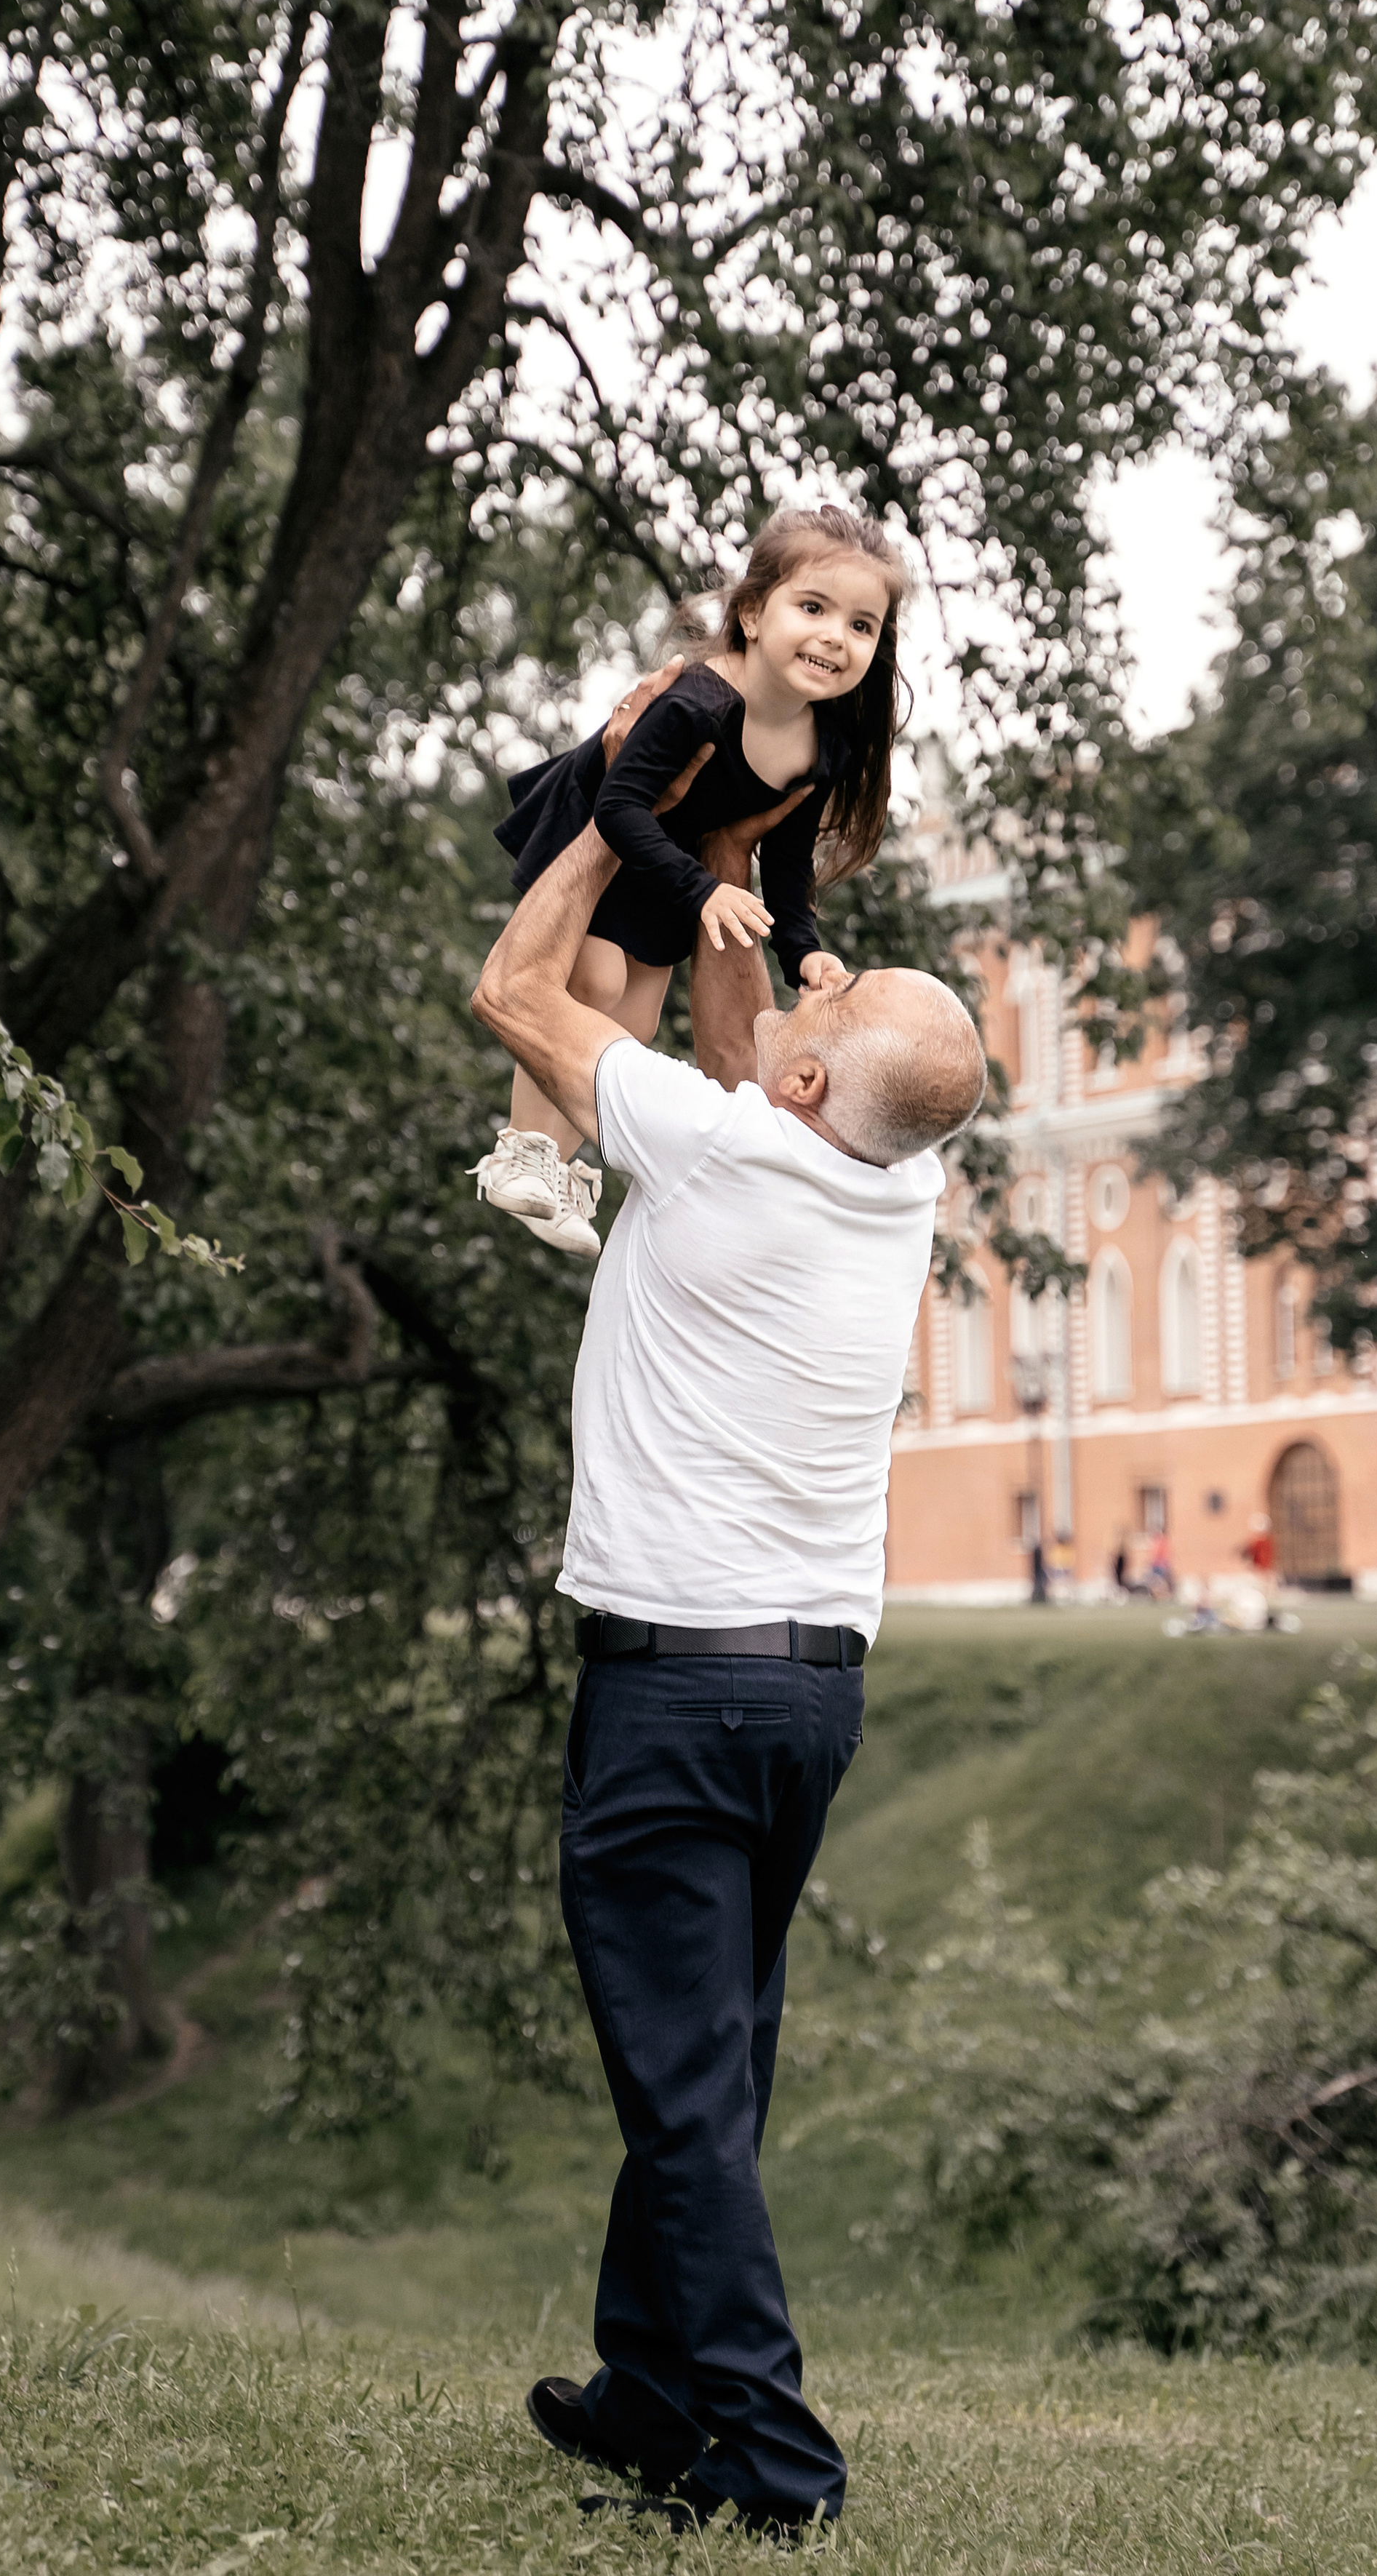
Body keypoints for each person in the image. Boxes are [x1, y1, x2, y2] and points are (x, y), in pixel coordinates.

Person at [469, 683, 988, 2536]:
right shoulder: (890, 1172)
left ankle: (770, 2461)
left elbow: (514, 999)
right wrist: (737, 886)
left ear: (794, 1085)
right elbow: (756, 1040)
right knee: (709, 2059)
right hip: (806, 1698)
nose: (811, 985)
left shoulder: (727, 1146)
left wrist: (623, 815)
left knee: (687, 2095)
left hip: (676, 1697)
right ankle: (642, 2389)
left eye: (826, 998)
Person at [468, 504, 906, 1255]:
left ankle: (559, 1172)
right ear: (749, 615)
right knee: (596, 980)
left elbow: (788, 863)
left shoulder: (821, 747)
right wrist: (705, 892)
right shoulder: (697, 704)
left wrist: (803, 954)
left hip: (675, 869)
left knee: (628, 1031)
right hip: (611, 830)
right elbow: (618, 805)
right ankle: (520, 1152)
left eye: (861, 626)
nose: (836, 636)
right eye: (813, 608)